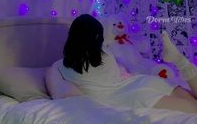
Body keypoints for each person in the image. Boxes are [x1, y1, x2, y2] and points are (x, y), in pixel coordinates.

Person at [55, 14, 197, 114]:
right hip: (141, 82)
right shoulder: (106, 53)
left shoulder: (60, 67)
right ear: (98, 36)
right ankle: (180, 61)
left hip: (131, 96)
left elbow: (59, 91)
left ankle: (179, 60)